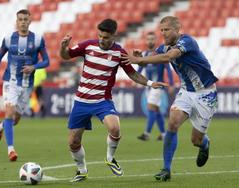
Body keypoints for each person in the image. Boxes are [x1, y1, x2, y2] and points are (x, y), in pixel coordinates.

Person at [59, 18, 168, 182]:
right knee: (73, 142)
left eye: (106, 37)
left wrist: (151, 83)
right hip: (81, 101)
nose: (102, 39)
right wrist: (63, 47)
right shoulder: (88, 45)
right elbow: (66, 56)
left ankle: (110, 158)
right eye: (100, 36)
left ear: (114, 36)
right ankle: (82, 171)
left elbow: (133, 74)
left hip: (103, 101)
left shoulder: (120, 53)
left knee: (115, 129)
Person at [122, 16, 218, 181]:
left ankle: (204, 143)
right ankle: (166, 169)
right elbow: (150, 60)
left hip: (206, 94)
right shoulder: (163, 47)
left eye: (167, 29)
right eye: (162, 30)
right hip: (186, 92)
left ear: (177, 28)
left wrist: (141, 59)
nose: (163, 33)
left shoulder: (187, 41)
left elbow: (168, 57)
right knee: (172, 124)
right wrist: (141, 58)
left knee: (196, 140)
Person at [0, 9, 50, 161]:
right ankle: (11, 150)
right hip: (11, 82)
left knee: (14, 120)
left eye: (25, 19)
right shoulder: (9, 38)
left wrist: (34, 67)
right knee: (9, 113)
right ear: (17, 22)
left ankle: (1, 127)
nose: (23, 22)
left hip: (27, 85)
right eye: (20, 19)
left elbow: (47, 61)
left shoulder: (37, 40)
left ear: (30, 21)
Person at [136, 31, 174, 141]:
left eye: (152, 39)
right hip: (148, 87)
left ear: (156, 40)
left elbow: (168, 69)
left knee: (151, 108)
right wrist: (136, 78)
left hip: (158, 87)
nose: (150, 41)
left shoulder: (160, 54)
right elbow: (140, 68)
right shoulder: (145, 54)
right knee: (156, 110)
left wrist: (171, 84)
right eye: (148, 39)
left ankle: (146, 133)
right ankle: (163, 134)